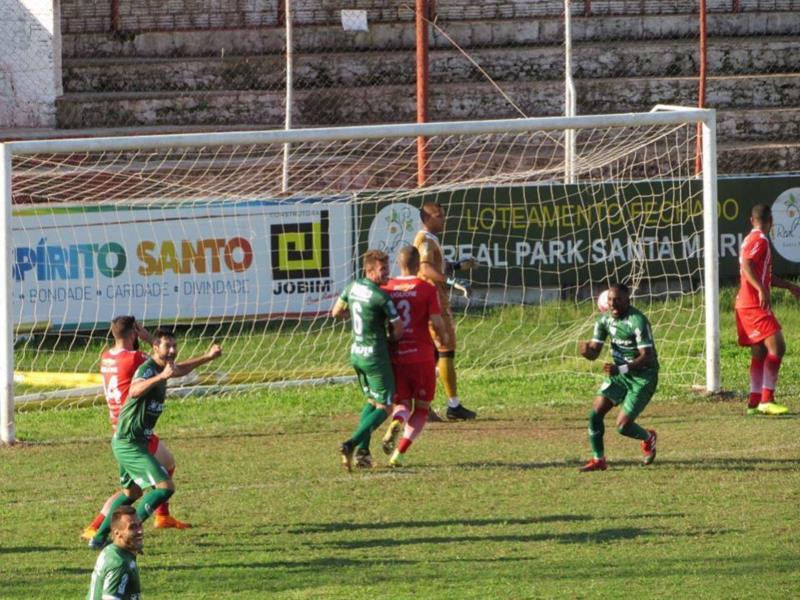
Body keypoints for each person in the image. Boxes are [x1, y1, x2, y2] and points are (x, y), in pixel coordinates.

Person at [88, 329, 222, 548]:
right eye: (166, 346)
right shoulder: (148, 369)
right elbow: (134, 390)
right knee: (165, 487)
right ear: (155, 348)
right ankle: (129, 530)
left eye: (174, 346)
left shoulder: (164, 368)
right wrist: (161, 377)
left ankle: (99, 538)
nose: (172, 350)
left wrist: (208, 357)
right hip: (130, 442)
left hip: (133, 441)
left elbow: (181, 369)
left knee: (132, 493)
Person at [82, 316, 189, 542]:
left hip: (119, 423)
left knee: (141, 484)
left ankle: (160, 516)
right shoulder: (135, 359)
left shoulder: (106, 356)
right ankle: (103, 527)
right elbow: (162, 358)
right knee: (159, 483)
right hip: (133, 426)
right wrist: (150, 337)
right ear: (133, 333)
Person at [332, 250, 404, 471]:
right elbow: (398, 329)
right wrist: (390, 339)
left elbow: (336, 312)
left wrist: (354, 317)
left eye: (387, 268)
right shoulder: (381, 297)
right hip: (375, 356)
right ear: (370, 270)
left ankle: (363, 454)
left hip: (356, 353)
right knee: (386, 406)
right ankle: (351, 444)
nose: (387, 273)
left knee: (372, 402)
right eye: (383, 270)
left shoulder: (352, 287)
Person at [380, 246, 449, 467]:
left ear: (399, 264)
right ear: (419, 264)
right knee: (421, 408)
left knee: (402, 403)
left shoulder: (387, 287)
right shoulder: (426, 288)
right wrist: (443, 337)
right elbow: (437, 323)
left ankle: (397, 420)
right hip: (421, 356)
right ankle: (399, 454)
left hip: (396, 355)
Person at [578, 283, 658, 471]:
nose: (613, 304)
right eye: (610, 300)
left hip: (642, 378)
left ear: (628, 301)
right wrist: (586, 352)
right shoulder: (604, 321)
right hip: (619, 375)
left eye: (618, 300)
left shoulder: (637, 321)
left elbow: (647, 356)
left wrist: (620, 369)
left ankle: (648, 437)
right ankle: (599, 460)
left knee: (623, 427)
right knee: (595, 414)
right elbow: (594, 353)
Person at [414, 201, 477, 421]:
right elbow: (424, 268)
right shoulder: (424, 240)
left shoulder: (431, 240)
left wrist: (457, 266)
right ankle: (453, 405)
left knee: (431, 355)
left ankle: (424, 404)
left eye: (443, 215)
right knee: (446, 349)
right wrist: (451, 280)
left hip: (434, 300)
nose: (442, 219)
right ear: (427, 218)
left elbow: (436, 266)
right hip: (434, 302)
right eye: (438, 216)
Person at [736, 204, 800, 415]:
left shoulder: (749, 239)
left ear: (751, 219)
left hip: (745, 303)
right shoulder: (760, 240)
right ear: (770, 221)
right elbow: (747, 264)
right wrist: (761, 289)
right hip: (754, 304)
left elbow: (764, 274)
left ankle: (754, 401)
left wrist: (789, 286)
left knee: (760, 351)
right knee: (778, 347)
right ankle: (767, 399)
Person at [87, 505, 143, 600]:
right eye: (132, 527)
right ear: (117, 533)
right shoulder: (119, 564)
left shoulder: (111, 550)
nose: (140, 531)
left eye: (139, 525)